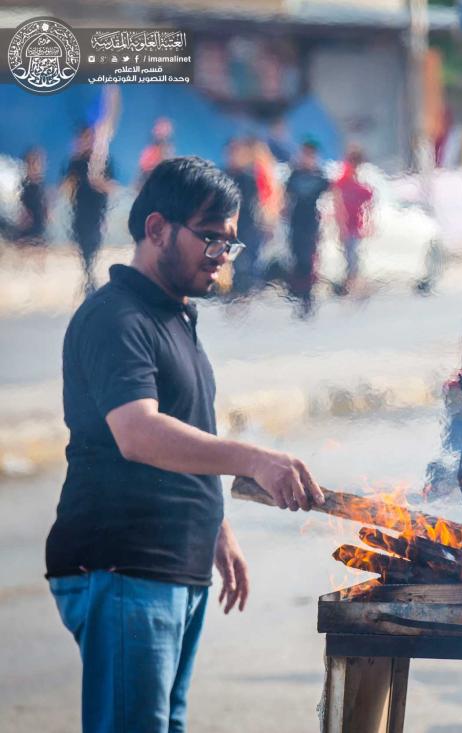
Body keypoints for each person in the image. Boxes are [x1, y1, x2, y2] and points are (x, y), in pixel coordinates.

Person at [45, 156, 324, 732]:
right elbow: (140, 432)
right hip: (124, 564)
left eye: (230, 243)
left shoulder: (176, 318)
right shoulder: (116, 318)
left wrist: (216, 527)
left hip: (176, 564)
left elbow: (186, 425)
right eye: (210, 238)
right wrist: (255, 458)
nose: (221, 256)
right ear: (156, 229)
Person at [62, 125, 115, 294]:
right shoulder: (75, 162)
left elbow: (111, 186)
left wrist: (98, 182)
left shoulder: (103, 161)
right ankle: (88, 277)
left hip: (97, 211)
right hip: (80, 210)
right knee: (83, 242)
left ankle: (91, 278)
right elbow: (66, 186)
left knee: (94, 241)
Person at [283, 139, 329, 314]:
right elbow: (285, 199)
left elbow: (331, 200)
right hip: (295, 224)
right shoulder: (294, 176)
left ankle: (306, 296)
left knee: (308, 259)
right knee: (296, 258)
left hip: (312, 224)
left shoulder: (320, 177)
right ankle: (297, 292)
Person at [331, 144, 375, 296]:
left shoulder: (355, 179)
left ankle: (353, 285)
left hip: (356, 225)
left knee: (353, 257)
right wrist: (341, 226)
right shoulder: (344, 180)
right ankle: (352, 285)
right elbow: (339, 204)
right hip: (349, 226)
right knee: (351, 257)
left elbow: (367, 199)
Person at [223, 138, 264, 296]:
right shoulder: (222, 175)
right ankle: (228, 290)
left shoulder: (248, 177)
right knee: (226, 260)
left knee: (243, 261)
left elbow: (255, 203)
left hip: (245, 225)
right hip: (225, 225)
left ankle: (241, 291)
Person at [1, 147, 48, 250]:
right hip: (20, 237)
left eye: (39, 163)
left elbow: (43, 214)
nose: (37, 167)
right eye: (33, 163)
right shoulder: (19, 187)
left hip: (36, 236)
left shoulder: (39, 188)